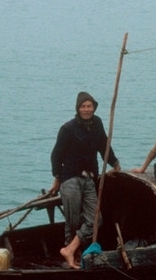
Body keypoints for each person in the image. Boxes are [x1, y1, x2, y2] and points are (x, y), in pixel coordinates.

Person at [49, 91, 120, 269]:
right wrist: (57, 177)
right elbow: (56, 155)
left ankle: (70, 249)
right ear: (78, 108)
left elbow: (104, 145)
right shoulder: (68, 128)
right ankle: (71, 255)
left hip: (89, 178)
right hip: (70, 178)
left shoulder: (97, 124)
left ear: (94, 108)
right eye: (83, 106)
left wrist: (115, 163)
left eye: (90, 106)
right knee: (72, 221)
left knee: (96, 219)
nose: (87, 109)